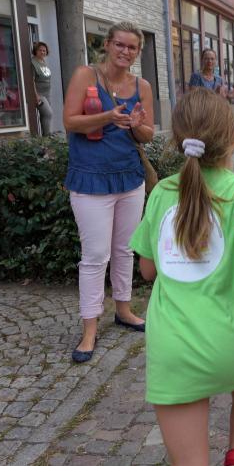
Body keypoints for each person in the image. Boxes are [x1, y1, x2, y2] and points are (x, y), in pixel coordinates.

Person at [129, 88, 234, 466]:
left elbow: (148, 270)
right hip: (231, 342)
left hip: (174, 349)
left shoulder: (163, 193)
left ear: (177, 140)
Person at [62, 22, 154, 363]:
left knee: (125, 250)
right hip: (91, 178)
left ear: (138, 52)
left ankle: (124, 310)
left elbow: (147, 134)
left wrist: (136, 125)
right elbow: (70, 121)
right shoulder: (85, 75)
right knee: (95, 256)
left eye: (132, 47)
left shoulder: (141, 86)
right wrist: (107, 116)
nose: (125, 52)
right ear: (107, 44)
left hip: (129, 178)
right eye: (120, 45)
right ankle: (89, 329)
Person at [31, 41, 53, 136]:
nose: (42, 52)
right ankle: (47, 136)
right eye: (40, 50)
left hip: (47, 93)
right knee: (48, 113)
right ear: (36, 51)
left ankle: (45, 137)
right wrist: (36, 95)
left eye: (44, 51)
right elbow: (31, 81)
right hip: (39, 93)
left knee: (44, 115)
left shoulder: (43, 62)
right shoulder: (33, 63)